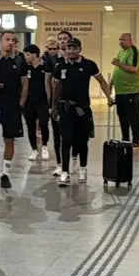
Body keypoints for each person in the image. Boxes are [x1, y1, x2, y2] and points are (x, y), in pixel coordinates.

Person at [49, 37, 111, 186]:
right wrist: (54, 107)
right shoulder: (60, 66)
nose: (71, 51)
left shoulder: (89, 65)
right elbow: (56, 88)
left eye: (74, 48)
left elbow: (102, 81)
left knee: (82, 141)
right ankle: (65, 172)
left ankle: (82, 168)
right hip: (65, 108)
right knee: (66, 140)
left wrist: (109, 96)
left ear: (80, 49)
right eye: (69, 48)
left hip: (83, 109)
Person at [0, 30, 27, 189]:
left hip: (12, 105)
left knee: (10, 139)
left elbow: (25, 84)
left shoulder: (20, 61)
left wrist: (21, 103)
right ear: (1, 41)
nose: (10, 42)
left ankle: (5, 173)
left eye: (13, 40)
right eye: (7, 39)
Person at [110, 31, 139, 146]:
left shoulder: (134, 52)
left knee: (133, 115)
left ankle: (135, 141)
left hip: (132, 90)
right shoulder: (121, 52)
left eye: (123, 40)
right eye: (120, 40)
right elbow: (116, 70)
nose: (121, 42)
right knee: (122, 115)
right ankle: (125, 138)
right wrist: (110, 84)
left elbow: (134, 68)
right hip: (120, 90)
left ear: (130, 41)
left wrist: (119, 64)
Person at [22, 44, 51, 161]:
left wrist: (50, 99)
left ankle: (44, 146)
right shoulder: (25, 67)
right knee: (30, 126)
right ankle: (34, 149)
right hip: (29, 102)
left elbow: (50, 83)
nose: (25, 57)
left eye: (28, 54)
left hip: (42, 101)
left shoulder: (46, 65)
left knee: (43, 123)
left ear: (35, 54)